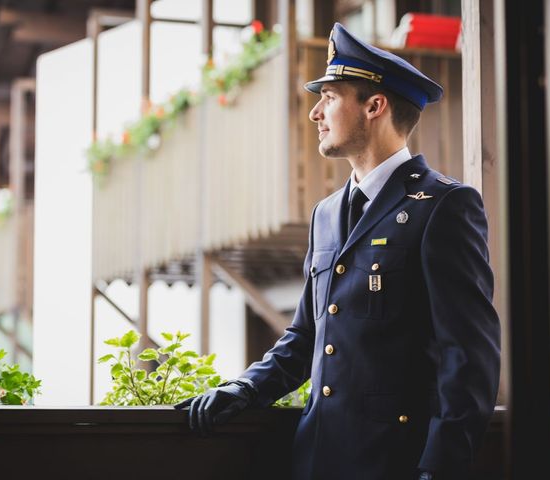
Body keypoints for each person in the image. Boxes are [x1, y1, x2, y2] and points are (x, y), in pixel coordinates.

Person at [175, 22, 500, 480]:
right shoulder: (326, 214)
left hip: (397, 464)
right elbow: (306, 336)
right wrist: (244, 389)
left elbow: (469, 357)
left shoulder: (444, 205)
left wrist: (440, 469)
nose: (315, 114)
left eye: (329, 97)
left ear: (374, 105)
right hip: (316, 461)